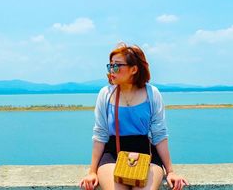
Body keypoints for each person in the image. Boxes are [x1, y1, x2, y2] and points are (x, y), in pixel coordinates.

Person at [80, 43, 188, 190]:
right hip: (113, 154)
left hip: (147, 153)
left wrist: (170, 172)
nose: (112, 70)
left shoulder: (152, 94)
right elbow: (100, 134)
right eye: (110, 66)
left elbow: (159, 134)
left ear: (134, 69)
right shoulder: (106, 94)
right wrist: (92, 172)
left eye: (117, 66)